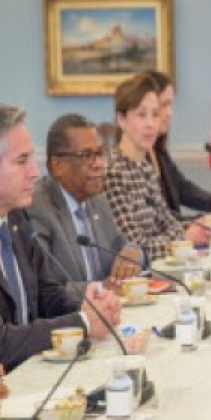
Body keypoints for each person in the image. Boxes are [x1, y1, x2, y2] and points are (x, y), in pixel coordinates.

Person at [0, 103, 120, 371]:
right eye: (21, 161)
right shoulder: (31, 210)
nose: (34, 171)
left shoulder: (16, 218)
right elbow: (2, 342)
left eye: (32, 158)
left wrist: (87, 302)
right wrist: (84, 323)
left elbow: (46, 293)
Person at [28, 114, 143, 299]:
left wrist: (133, 252)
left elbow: (121, 243)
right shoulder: (38, 207)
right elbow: (46, 293)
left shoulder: (97, 201)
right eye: (87, 155)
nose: (99, 164)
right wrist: (99, 289)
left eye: (100, 153)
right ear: (57, 165)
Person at [103, 74, 206, 261]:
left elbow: (169, 223)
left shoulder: (145, 167)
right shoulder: (113, 171)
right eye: (141, 115)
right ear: (121, 119)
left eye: (155, 115)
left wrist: (192, 229)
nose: (151, 124)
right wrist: (182, 239)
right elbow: (134, 248)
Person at [144, 70, 211, 224]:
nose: (170, 113)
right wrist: (205, 221)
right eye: (164, 104)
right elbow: (159, 221)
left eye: (170, 104)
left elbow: (182, 188)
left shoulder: (158, 151)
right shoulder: (134, 161)